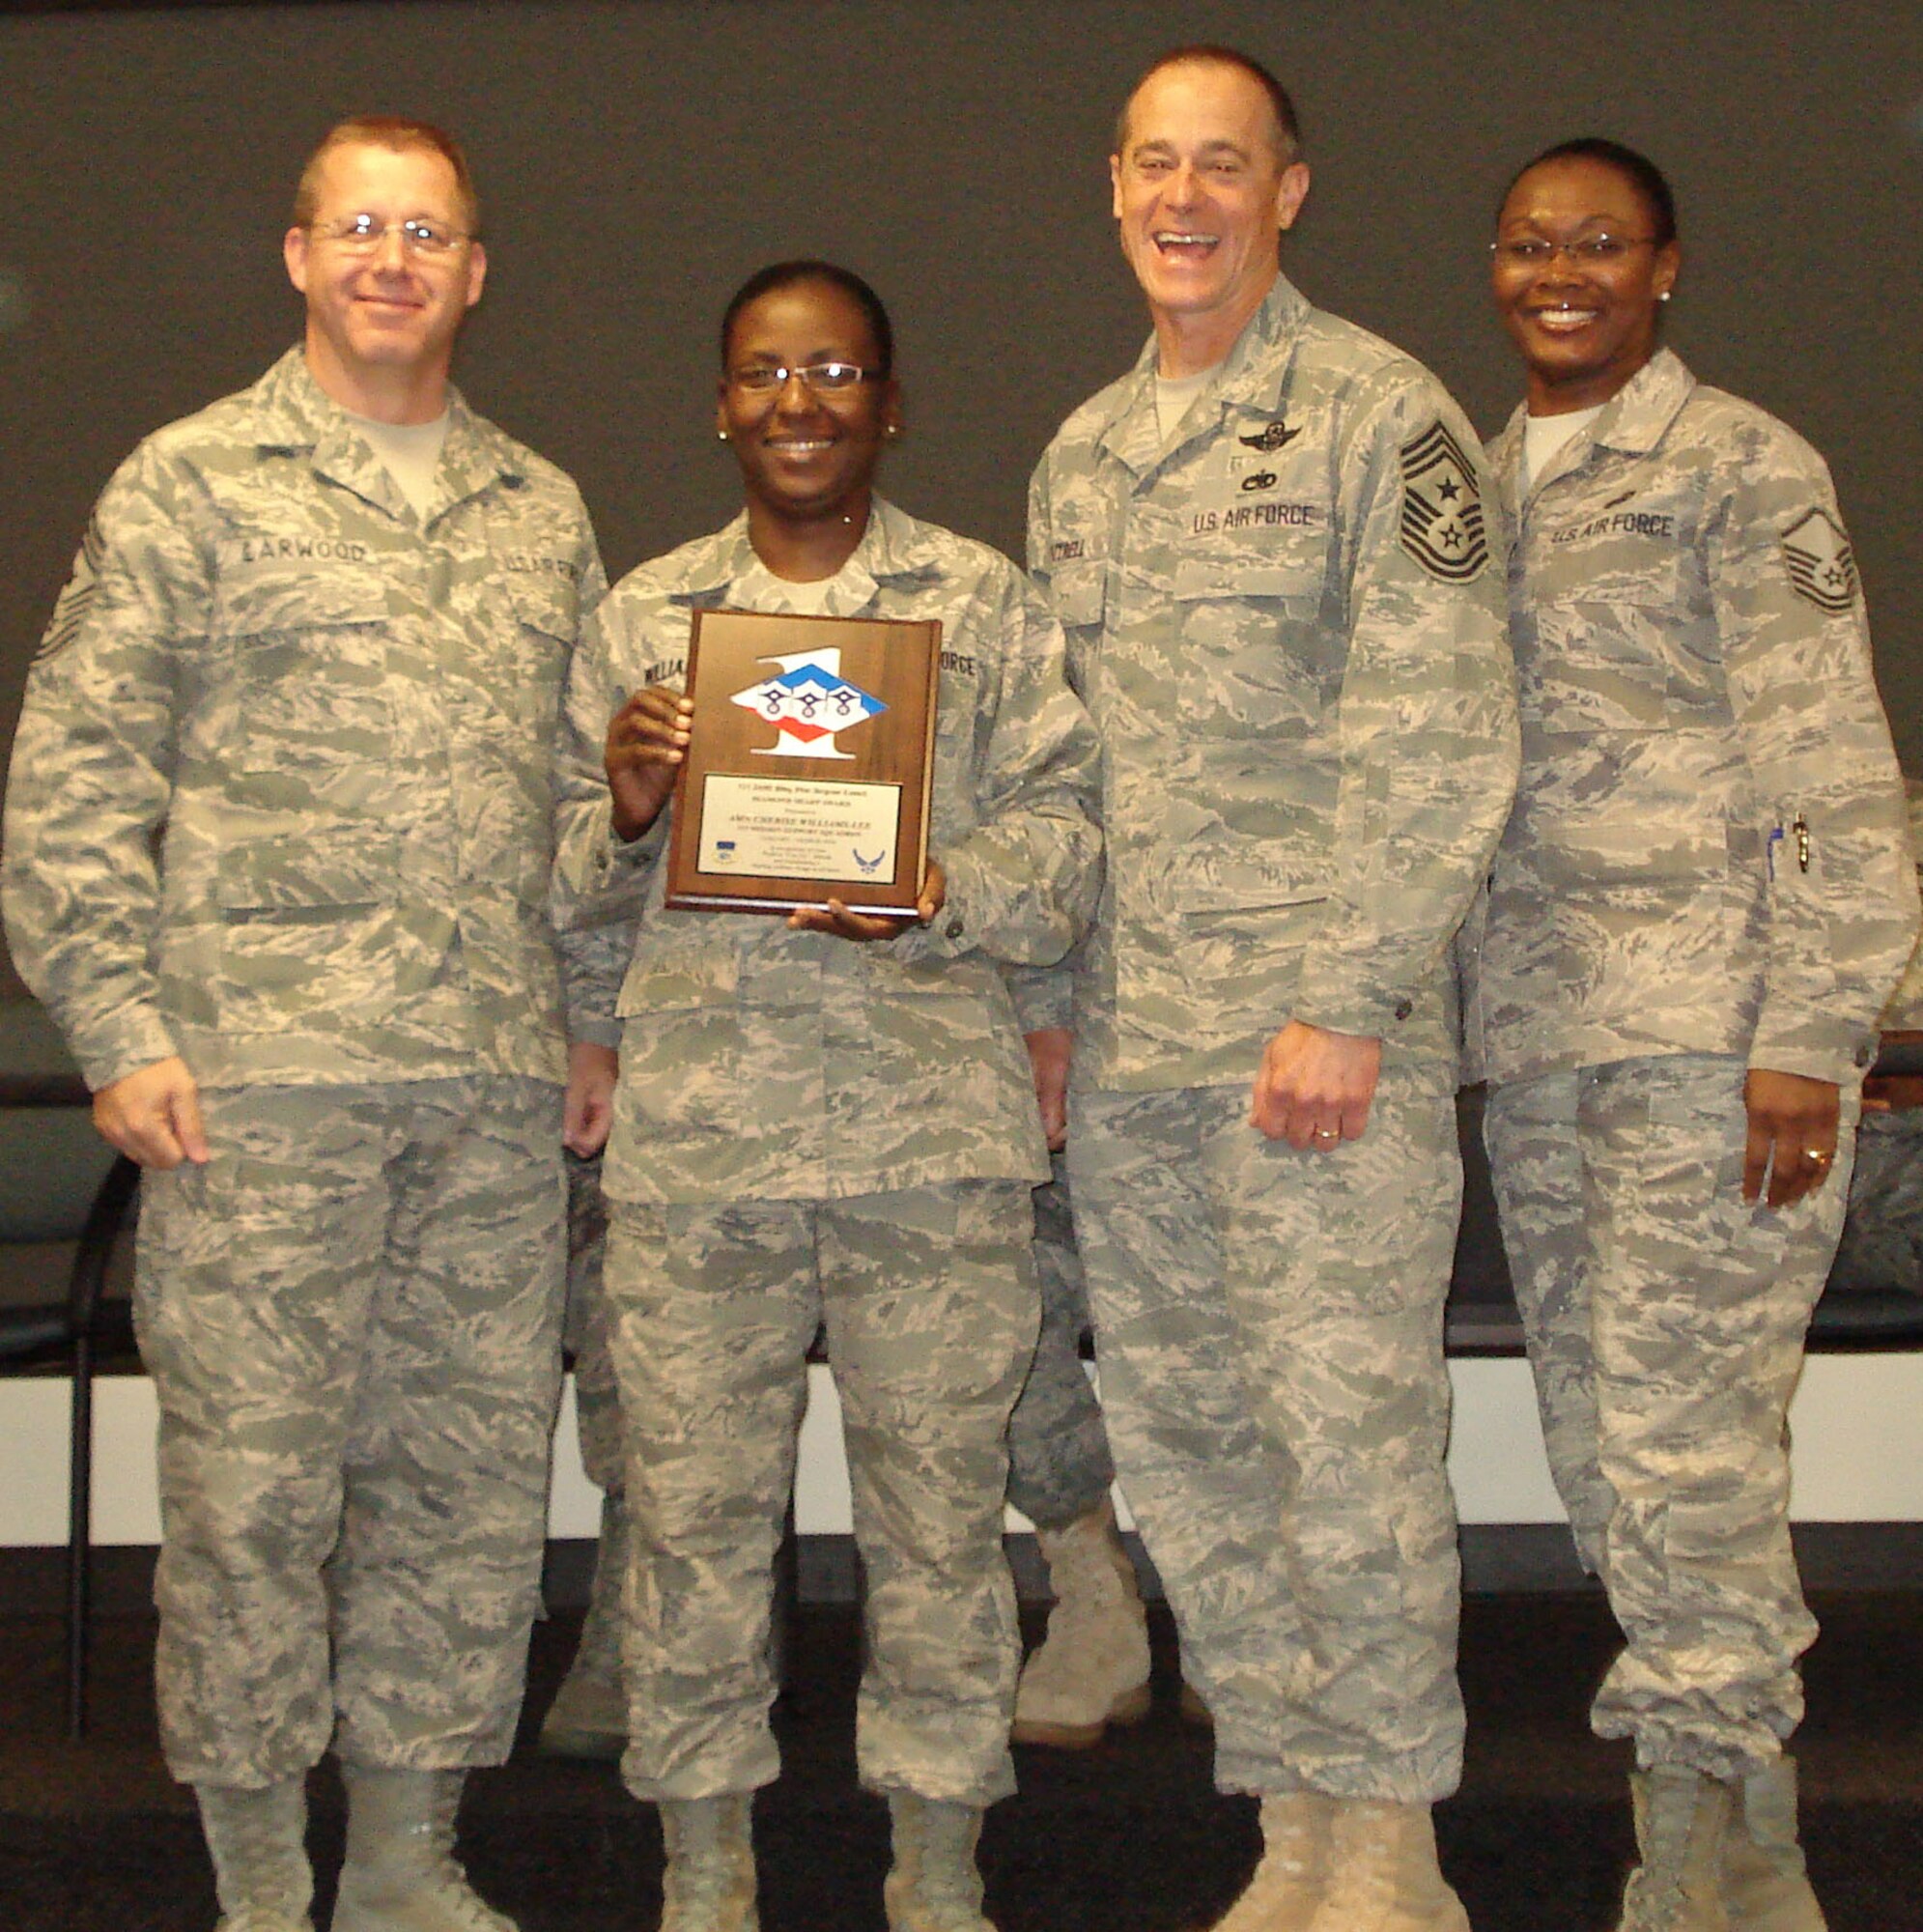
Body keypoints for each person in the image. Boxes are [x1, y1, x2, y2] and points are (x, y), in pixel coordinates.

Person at [2, 116, 605, 1932]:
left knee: (464, 1500)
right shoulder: (191, 483)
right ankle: (264, 1883)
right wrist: (116, 1026)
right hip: (254, 1098)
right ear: (297, 255)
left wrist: (594, 1019)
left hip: (491, 1099)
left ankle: (410, 1864)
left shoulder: (543, 508)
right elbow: (74, 777)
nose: (391, 261)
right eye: (359, 227)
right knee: (254, 1508)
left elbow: (584, 798)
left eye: (427, 232)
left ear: (475, 272)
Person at [1027, 46, 1517, 1932]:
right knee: (1201, 1451)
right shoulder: (1083, 453)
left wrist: (1352, 995)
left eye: (1223, 165)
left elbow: (1441, 727)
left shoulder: (1377, 416)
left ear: (1287, 190)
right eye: (1156, 162)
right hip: (1139, 1056)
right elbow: (1065, 769)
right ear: (1116, 183)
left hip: (1318, 1055)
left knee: (1346, 1451)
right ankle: (1289, 1824)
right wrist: (1054, 1005)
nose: (1186, 197)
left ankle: (1389, 1838)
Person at [556, 261, 1101, 1932]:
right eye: (768, 373)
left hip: (925, 1141)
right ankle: (705, 1874)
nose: (801, 402)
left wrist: (932, 882)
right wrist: (634, 805)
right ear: (722, 403)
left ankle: (936, 1872)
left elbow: (1072, 852)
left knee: (938, 1529)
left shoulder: (985, 605)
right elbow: (561, 889)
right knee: (692, 1528)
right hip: (700, 1152)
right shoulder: (646, 618)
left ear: (890, 403)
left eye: (838, 371)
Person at [1465, 138, 1919, 1932]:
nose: (1556, 270)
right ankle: (1700, 1795)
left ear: (1667, 268)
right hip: (1545, 1048)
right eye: (1524, 243)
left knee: (1694, 1450)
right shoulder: (1473, 492)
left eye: (1597, 243)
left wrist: (1813, 1031)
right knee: (1599, 1447)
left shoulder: (1740, 465)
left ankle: (1732, 1844)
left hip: (1714, 1048)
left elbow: (1834, 767)